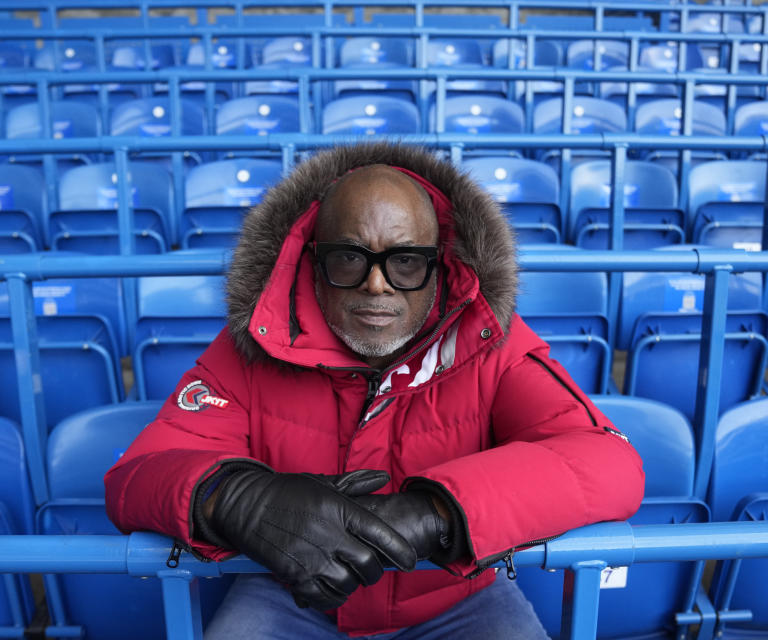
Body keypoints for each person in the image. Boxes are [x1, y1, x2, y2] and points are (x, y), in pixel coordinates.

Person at [104, 141, 645, 638]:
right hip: (289, 596)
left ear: (440, 268)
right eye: (349, 258)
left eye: (406, 261)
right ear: (314, 263)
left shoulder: (491, 343)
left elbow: (608, 461)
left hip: (457, 598)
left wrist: (439, 512)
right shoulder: (252, 343)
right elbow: (135, 475)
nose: (377, 284)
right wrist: (234, 498)